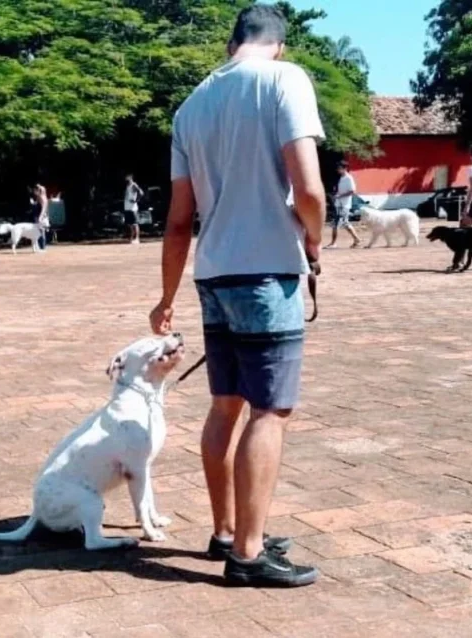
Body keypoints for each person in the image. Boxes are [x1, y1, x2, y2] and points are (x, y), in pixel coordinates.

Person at [148, 4, 326, 588]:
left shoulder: (191, 106)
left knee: (225, 402)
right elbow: (308, 188)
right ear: (278, 42)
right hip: (266, 270)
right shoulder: (285, 79)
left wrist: (166, 295)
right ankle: (249, 555)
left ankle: (226, 530)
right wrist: (315, 244)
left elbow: (179, 220)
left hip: (214, 274)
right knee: (269, 408)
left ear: (233, 43)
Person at [325, 161, 361, 249]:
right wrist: (336, 194)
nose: (338, 170)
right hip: (340, 204)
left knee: (336, 223)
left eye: (339, 168)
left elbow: (352, 191)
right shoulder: (342, 178)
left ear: (345, 168)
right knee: (345, 223)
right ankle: (357, 239)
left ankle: (333, 243)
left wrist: (340, 196)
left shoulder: (349, 178)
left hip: (344, 205)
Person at [124, 174, 144, 244]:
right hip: (127, 207)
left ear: (130, 177)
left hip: (133, 208)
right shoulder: (127, 186)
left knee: (135, 223)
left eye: (127, 177)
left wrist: (136, 200)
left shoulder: (134, 185)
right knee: (130, 224)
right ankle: (132, 238)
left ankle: (137, 238)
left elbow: (141, 192)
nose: (126, 178)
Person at [33, 184, 50, 251]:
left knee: (41, 232)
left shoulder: (42, 197)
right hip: (39, 217)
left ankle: (42, 247)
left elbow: (43, 209)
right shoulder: (39, 197)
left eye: (35, 190)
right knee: (39, 232)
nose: (34, 191)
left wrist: (40, 217)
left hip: (41, 217)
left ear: (38, 190)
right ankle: (40, 247)